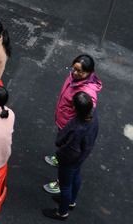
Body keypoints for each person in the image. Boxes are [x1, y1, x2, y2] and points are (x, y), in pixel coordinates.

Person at [43, 54, 103, 195]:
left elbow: (88, 112)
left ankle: (60, 183)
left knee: (67, 158)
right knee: (62, 147)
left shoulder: (88, 93)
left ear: (89, 72)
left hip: (70, 128)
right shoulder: (74, 78)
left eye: (79, 71)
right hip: (63, 121)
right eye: (74, 69)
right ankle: (59, 159)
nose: (75, 73)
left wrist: (73, 128)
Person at [42, 92, 99, 221]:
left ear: (76, 108)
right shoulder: (93, 114)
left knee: (65, 185)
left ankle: (62, 212)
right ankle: (71, 201)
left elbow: (62, 142)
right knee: (76, 176)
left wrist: (60, 154)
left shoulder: (77, 127)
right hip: (82, 155)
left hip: (69, 159)